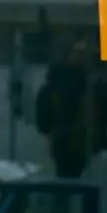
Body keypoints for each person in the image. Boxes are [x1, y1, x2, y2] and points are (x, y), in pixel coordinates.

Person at [36, 41, 92, 179]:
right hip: (68, 134)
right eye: (77, 54)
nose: (81, 58)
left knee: (67, 170)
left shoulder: (79, 82)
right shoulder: (78, 83)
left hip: (66, 134)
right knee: (69, 169)